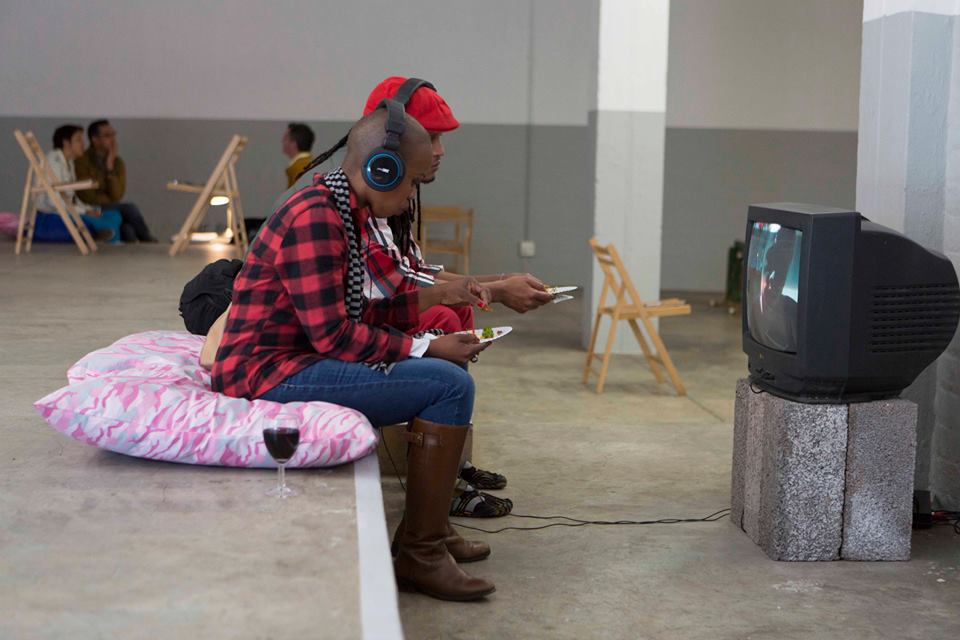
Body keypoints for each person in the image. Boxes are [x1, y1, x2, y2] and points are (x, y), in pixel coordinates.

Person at [213, 108, 496, 601]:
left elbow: (355, 311)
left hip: (295, 356)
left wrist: (435, 307)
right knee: (450, 386)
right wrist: (426, 345)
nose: (412, 195)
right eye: (411, 182)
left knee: (441, 372)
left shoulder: (343, 208)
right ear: (381, 170)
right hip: (266, 372)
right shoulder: (315, 217)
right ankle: (422, 552)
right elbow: (334, 336)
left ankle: (426, 537)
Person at [33, 124, 122, 243]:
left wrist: (88, 209)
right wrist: (83, 211)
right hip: (54, 214)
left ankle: (106, 238)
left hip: (69, 210)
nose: (83, 144)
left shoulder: (69, 162)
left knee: (114, 215)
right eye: (78, 140)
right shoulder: (53, 162)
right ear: (66, 143)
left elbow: (72, 198)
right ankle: (111, 245)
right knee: (107, 225)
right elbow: (53, 202)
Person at [75, 120, 158, 243]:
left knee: (128, 229)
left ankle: (139, 249)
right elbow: (87, 196)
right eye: (107, 136)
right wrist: (108, 199)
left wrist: (109, 167)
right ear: (95, 139)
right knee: (130, 208)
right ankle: (148, 240)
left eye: (113, 134)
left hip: (111, 207)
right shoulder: (82, 161)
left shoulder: (117, 163)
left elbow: (117, 195)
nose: (113, 139)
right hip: (90, 207)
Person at [282, 123, 315, 188]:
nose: (282, 141)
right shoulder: (309, 163)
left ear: (294, 144)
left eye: (285, 138)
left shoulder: (300, 168)